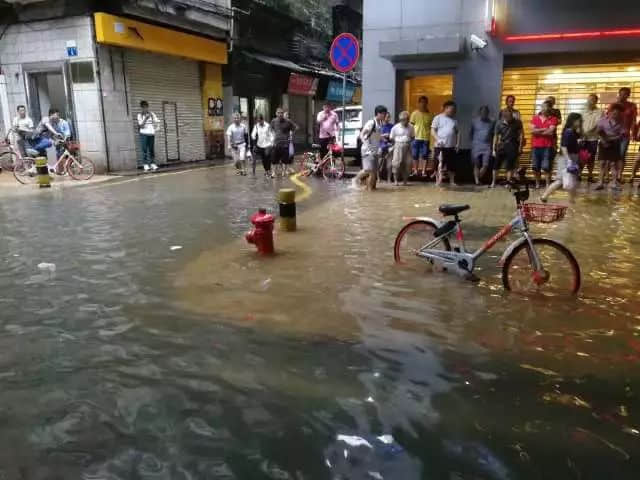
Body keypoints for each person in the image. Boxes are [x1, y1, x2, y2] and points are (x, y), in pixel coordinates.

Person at [541, 113, 582, 203]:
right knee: (561, 180)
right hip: (567, 158)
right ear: (573, 121)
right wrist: (568, 160)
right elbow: (564, 147)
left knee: (571, 180)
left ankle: (571, 200)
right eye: (579, 120)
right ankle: (545, 196)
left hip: (570, 157)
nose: (580, 122)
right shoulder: (569, 132)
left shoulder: (573, 132)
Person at [354, 105, 387, 191]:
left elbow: (376, 135)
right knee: (369, 170)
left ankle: (372, 188)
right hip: (368, 150)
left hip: (375, 149)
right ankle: (357, 181)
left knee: (374, 171)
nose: (385, 115)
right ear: (378, 113)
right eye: (383, 114)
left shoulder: (380, 123)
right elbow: (361, 135)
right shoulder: (371, 122)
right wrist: (367, 145)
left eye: (385, 113)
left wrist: (383, 138)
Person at [608, 87, 638, 182]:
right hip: (612, 134)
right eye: (621, 93)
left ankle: (619, 175)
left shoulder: (632, 106)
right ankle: (608, 175)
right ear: (619, 94)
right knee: (611, 155)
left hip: (625, 135)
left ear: (628, 95)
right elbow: (608, 117)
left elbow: (633, 120)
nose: (623, 95)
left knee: (621, 155)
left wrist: (633, 133)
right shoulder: (613, 105)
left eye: (625, 94)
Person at [595, 103, 625, 190]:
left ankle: (614, 183)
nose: (616, 115)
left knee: (613, 164)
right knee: (602, 163)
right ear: (610, 112)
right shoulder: (602, 120)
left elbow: (622, 134)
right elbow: (598, 132)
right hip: (603, 143)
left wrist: (612, 138)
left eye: (618, 114)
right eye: (614, 113)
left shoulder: (621, 122)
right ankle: (600, 182)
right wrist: (604, 140)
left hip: (614, 144)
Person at [530, 100, 559, 189]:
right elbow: (532, 131)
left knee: (547, 167)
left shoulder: (553, 119)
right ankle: (537, 184)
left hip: (547, 146)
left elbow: (550, 132)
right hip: (535, 146)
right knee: (535, 167)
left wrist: (538, 130)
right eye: (542, 107)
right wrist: (544, 129)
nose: (543, 109)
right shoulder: (535, 118)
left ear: (549, 108)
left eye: (545, 107)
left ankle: (547, 184)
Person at [492, 109, 523, 188]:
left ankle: (508, 183)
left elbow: (521, 135)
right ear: (503, 117)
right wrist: (493, 149)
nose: (507, 118)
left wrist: (520, 146)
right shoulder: (499, 123)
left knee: (510, 166)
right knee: (496, 165)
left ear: (511, 115)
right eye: (505, 117)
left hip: (512, 145)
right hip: (502, 145)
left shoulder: (517, 122)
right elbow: (495, 136)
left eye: (509, 116)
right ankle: (493, 182)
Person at [431, 100, 460, 187]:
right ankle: (438, 180)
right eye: (452, 109)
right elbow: (432, 130)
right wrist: (438, 139)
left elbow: (458, 132)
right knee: (438, 164)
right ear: (446, 108)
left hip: (451, 146)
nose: (454, 111)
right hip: (440, 146)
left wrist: (458, 144)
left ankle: (452, 181)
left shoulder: (454, 121)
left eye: (454, 109)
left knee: (452, 164)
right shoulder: (438, 118)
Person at [470, 105, 495, 185]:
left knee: (485, 165)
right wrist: (473, 143)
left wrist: (492, 145)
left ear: (488, 113)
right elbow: (471, 133)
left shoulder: (492, 121)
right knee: (476, 164)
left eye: (485, 112)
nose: (484, 113)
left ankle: (478, 176)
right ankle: (477, 181)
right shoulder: (474, 121)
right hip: (476, 145)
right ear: (480, 112)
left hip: (487, 145)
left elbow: (493, 134)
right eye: (482, 112)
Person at [410, 95, 434, 176]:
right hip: (415, 137)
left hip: (426, 138)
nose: (423, 104)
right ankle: (415, 170)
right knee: (414, 155)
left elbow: (432, 127)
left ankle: (424, 171)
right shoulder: (414, 113)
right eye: (421, 102)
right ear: (418, 103)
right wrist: (411, 136)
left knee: (424, 155)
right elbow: (411, 125)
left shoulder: (430, 115)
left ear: (427, 103)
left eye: (425, 102)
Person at [581, 93, 603, 182]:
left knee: (591, 158)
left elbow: (598, 124)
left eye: (592, 100)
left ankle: (590, 175)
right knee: (582, 157)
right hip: (582, 138)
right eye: (589, 99)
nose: (590, 102)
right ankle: (579, 174)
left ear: (596, 101)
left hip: (593, 139)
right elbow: (578, 122)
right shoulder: (582, 111)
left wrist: (587, 132)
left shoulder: (600, 112)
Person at [389, 111, 415, 186]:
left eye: (407, 119)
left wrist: (409, 143)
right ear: (400, 120)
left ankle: (405, 181)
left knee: (408, 163)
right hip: (398, 146)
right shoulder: (395, 127)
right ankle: (396, 181)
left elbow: (413, 137)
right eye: (403, 120)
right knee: (396, 163)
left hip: (408, 146)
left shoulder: (411, 127)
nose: (405, 121)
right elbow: (391, 138)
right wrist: (397, 145)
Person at [270, 108, 297, 177]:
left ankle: (284, 172)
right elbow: (270, 130)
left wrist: (291, 135)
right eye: (278, 113)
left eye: (281, 113)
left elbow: (295, 127)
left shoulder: (288, 121)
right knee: (274, 160)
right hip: (276, 143)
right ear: (276, 113)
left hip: (285, 144)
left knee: (285, 160)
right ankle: (274, 173)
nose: (280, 114)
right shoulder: (273, 121)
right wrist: (272, 138)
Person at [137, 101, 159, 172]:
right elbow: (141, 126)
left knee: (151, 149)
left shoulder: (152, 114)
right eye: (143, 107)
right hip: (143, 134)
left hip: (151, 134)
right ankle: (145, 164)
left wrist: (157, 126)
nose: (145, 109)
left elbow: (156, 122)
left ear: (147, 107)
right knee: (144, 150)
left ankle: (152, 163)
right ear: (141, 108)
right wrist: (145, 118)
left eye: (146, 107)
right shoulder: (139, 115)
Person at [378, 112, 393, 182]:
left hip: (389, 147)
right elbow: (377, 137)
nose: (388, 118)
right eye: (387, 117)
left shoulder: (392, 126)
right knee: (379, 163)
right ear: (384, 117)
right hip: (380, 146)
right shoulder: (379, 126)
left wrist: (389, 136)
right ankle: (378, 178)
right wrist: (384, 136)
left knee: (389, 164)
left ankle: (389, 179)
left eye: (389, 117)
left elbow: (393, 137)